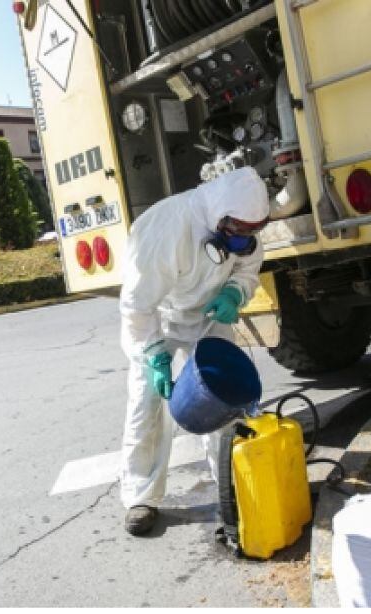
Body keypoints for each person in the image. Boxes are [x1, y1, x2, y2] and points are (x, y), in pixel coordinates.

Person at [118, 167, 270, 536]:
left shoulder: (242, 227)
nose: (245, 239)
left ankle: (231, 486)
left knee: (224, 400)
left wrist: (234, 292)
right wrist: (155, 352)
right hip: (161, 317)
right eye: (239, 231)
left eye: (253, 231)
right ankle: (141, 497)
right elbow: (138, 305)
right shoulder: (168, 229)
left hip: (209, 313)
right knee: (147, 403)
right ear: (221, 217)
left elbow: (248, 267)